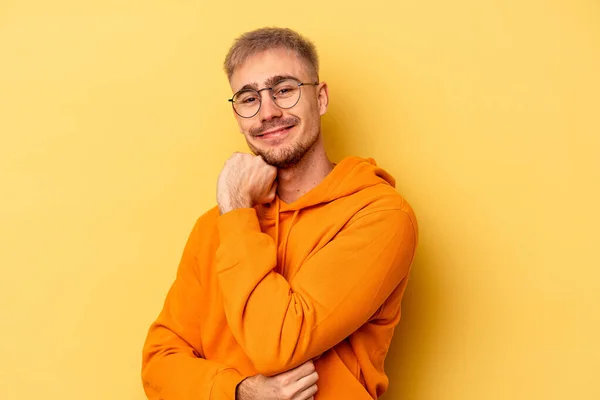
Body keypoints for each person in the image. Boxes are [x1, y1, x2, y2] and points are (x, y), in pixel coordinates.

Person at [141, 27, 418, 400]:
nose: (268, 112)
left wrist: (236, 210)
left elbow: (278, 344)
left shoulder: (379, 215)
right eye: (249, 98)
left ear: (319, 98)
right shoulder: (218, 224)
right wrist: (241, 392)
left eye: (284, 90)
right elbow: (159, 364)